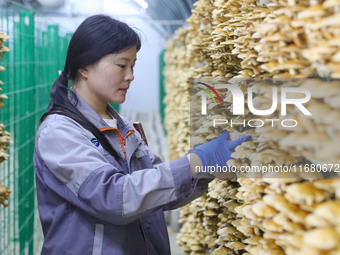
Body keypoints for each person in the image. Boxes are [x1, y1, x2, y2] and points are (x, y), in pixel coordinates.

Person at [33, 14, 250, 255]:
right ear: (84, 66)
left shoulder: (122, 125)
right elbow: (114, 198)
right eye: (121, 65)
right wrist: (193, 163)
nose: (130, 76)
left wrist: (206, 168)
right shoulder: (60, 132)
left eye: (133, 65)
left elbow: (156, 191)